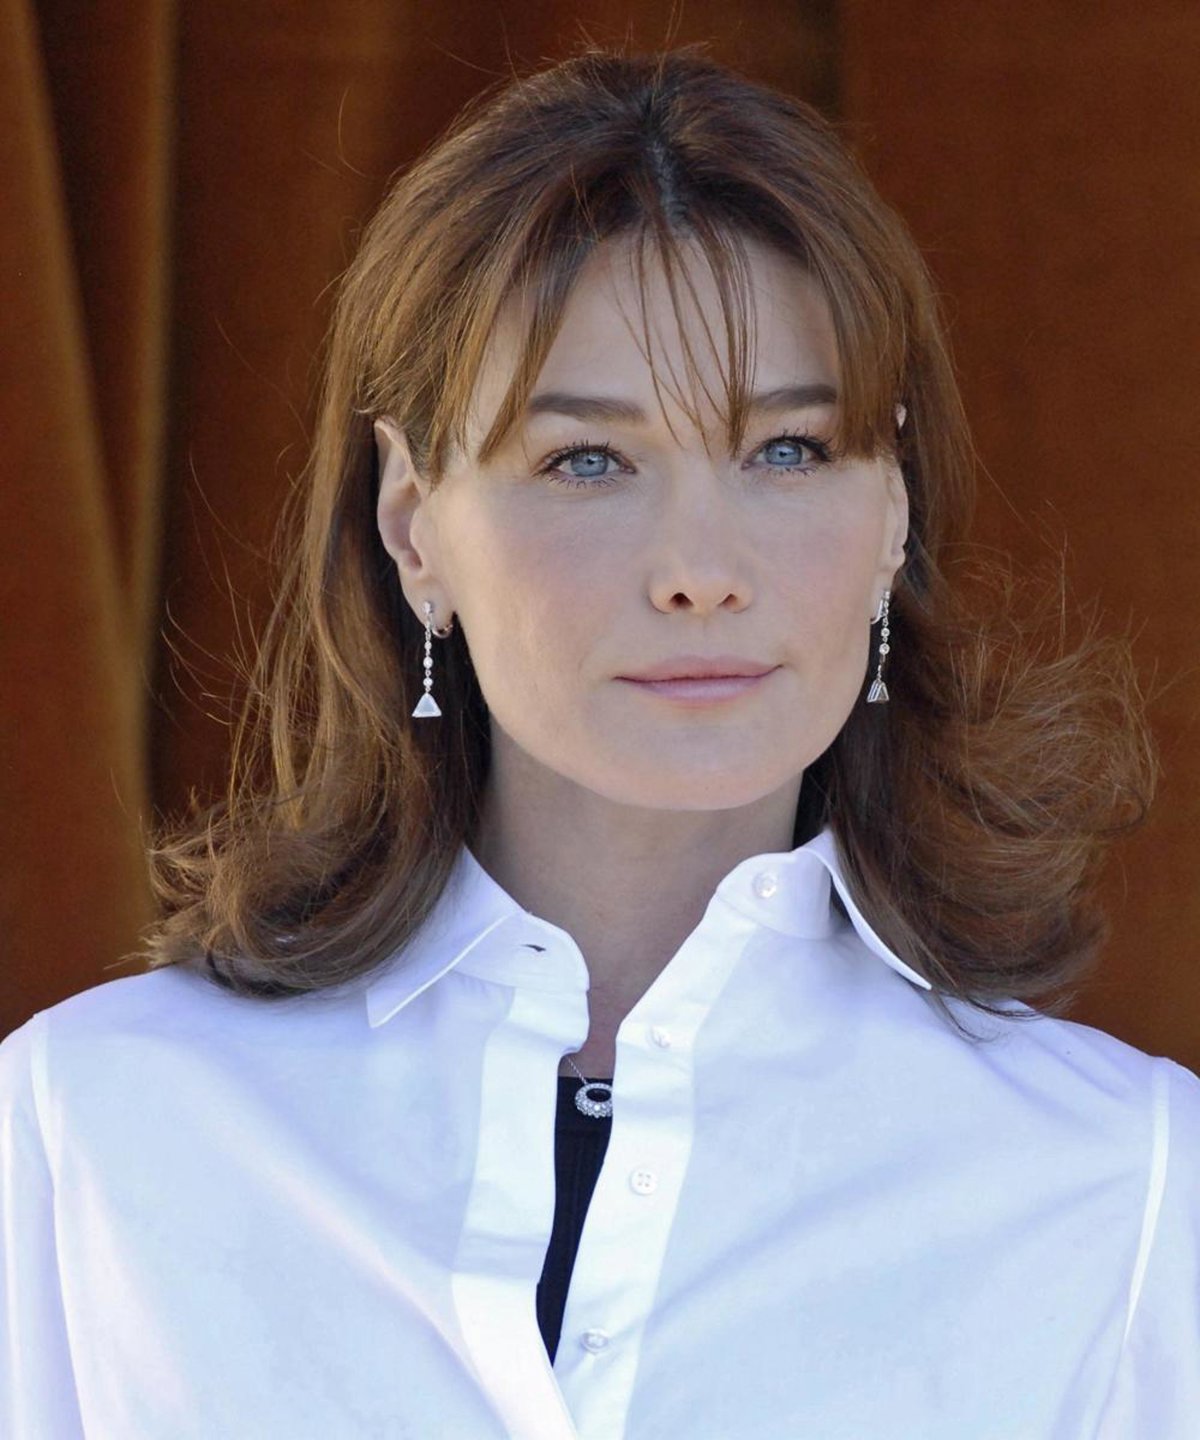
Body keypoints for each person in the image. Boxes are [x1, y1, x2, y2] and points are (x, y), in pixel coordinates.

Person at [1, 45, 1196, 1440]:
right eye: (587, 461)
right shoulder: (93, 1130)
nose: (699, 571)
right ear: (412, 525)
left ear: (893, 514)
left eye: (789, 451)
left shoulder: (1123, 1187)